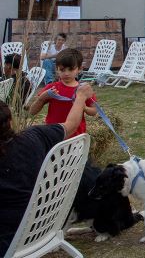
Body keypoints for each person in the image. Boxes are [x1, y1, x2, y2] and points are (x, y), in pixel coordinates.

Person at [0, 82, 95, 255]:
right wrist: (80, 97)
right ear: (10, 120)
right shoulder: (33, 137)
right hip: (42, 227)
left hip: (9, 243)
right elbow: (71, 124)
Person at [28, 49, 97, 138]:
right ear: (57, 69)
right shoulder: (52, 88)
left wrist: (84, 108)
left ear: (79, 69)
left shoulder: (83, 90)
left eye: (71, 69)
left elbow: (94, 111)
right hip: (54, 134)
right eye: (62, 70)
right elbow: (32, 111)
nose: (66, 73)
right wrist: (42, 98)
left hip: (76, 135)